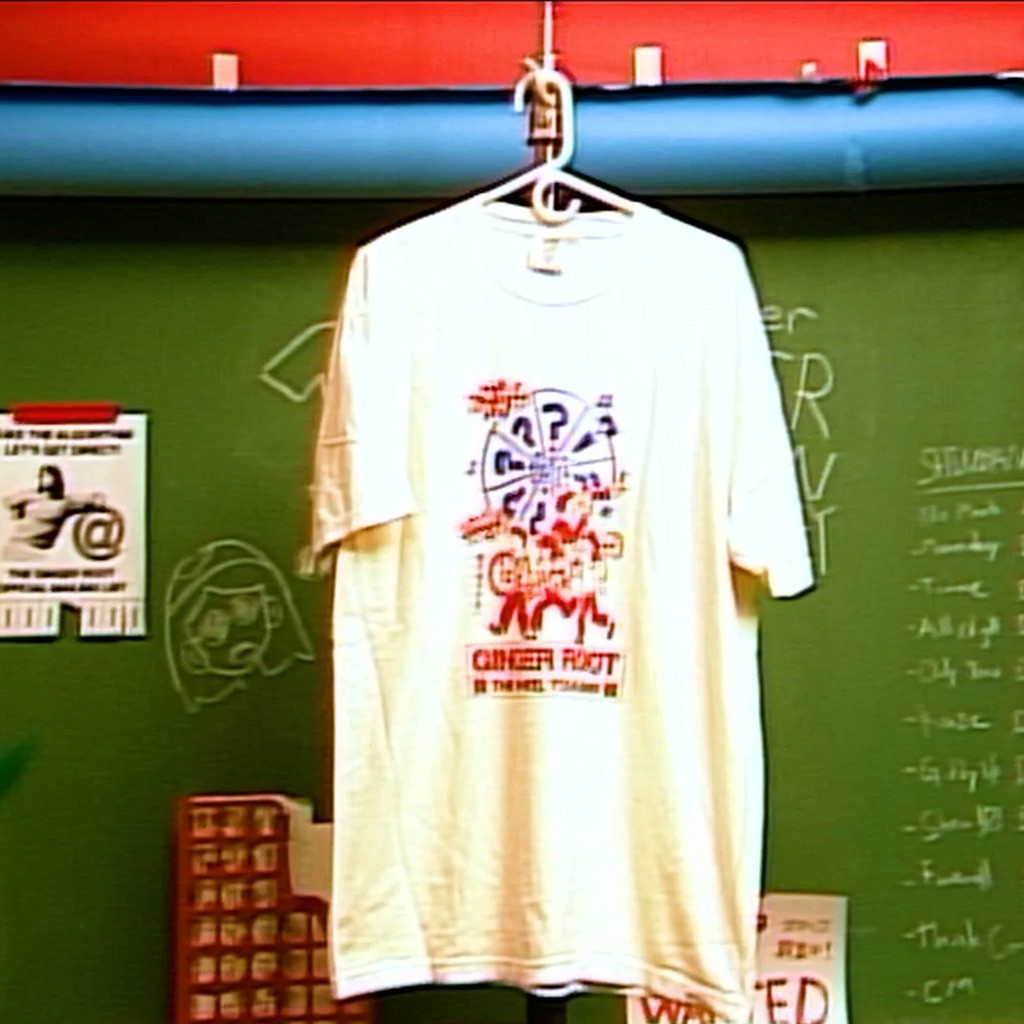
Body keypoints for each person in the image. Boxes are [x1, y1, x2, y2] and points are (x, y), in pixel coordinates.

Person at [2, 465, 106, 561]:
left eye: (49, 477)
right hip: (16, 543)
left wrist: (95, 500)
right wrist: (18, 509)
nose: (45, 480)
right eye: (42, 477)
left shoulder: (66, 503)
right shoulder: (32, 496)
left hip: (35, 549)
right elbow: (8, 501)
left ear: (57, 480)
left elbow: (96, 500)